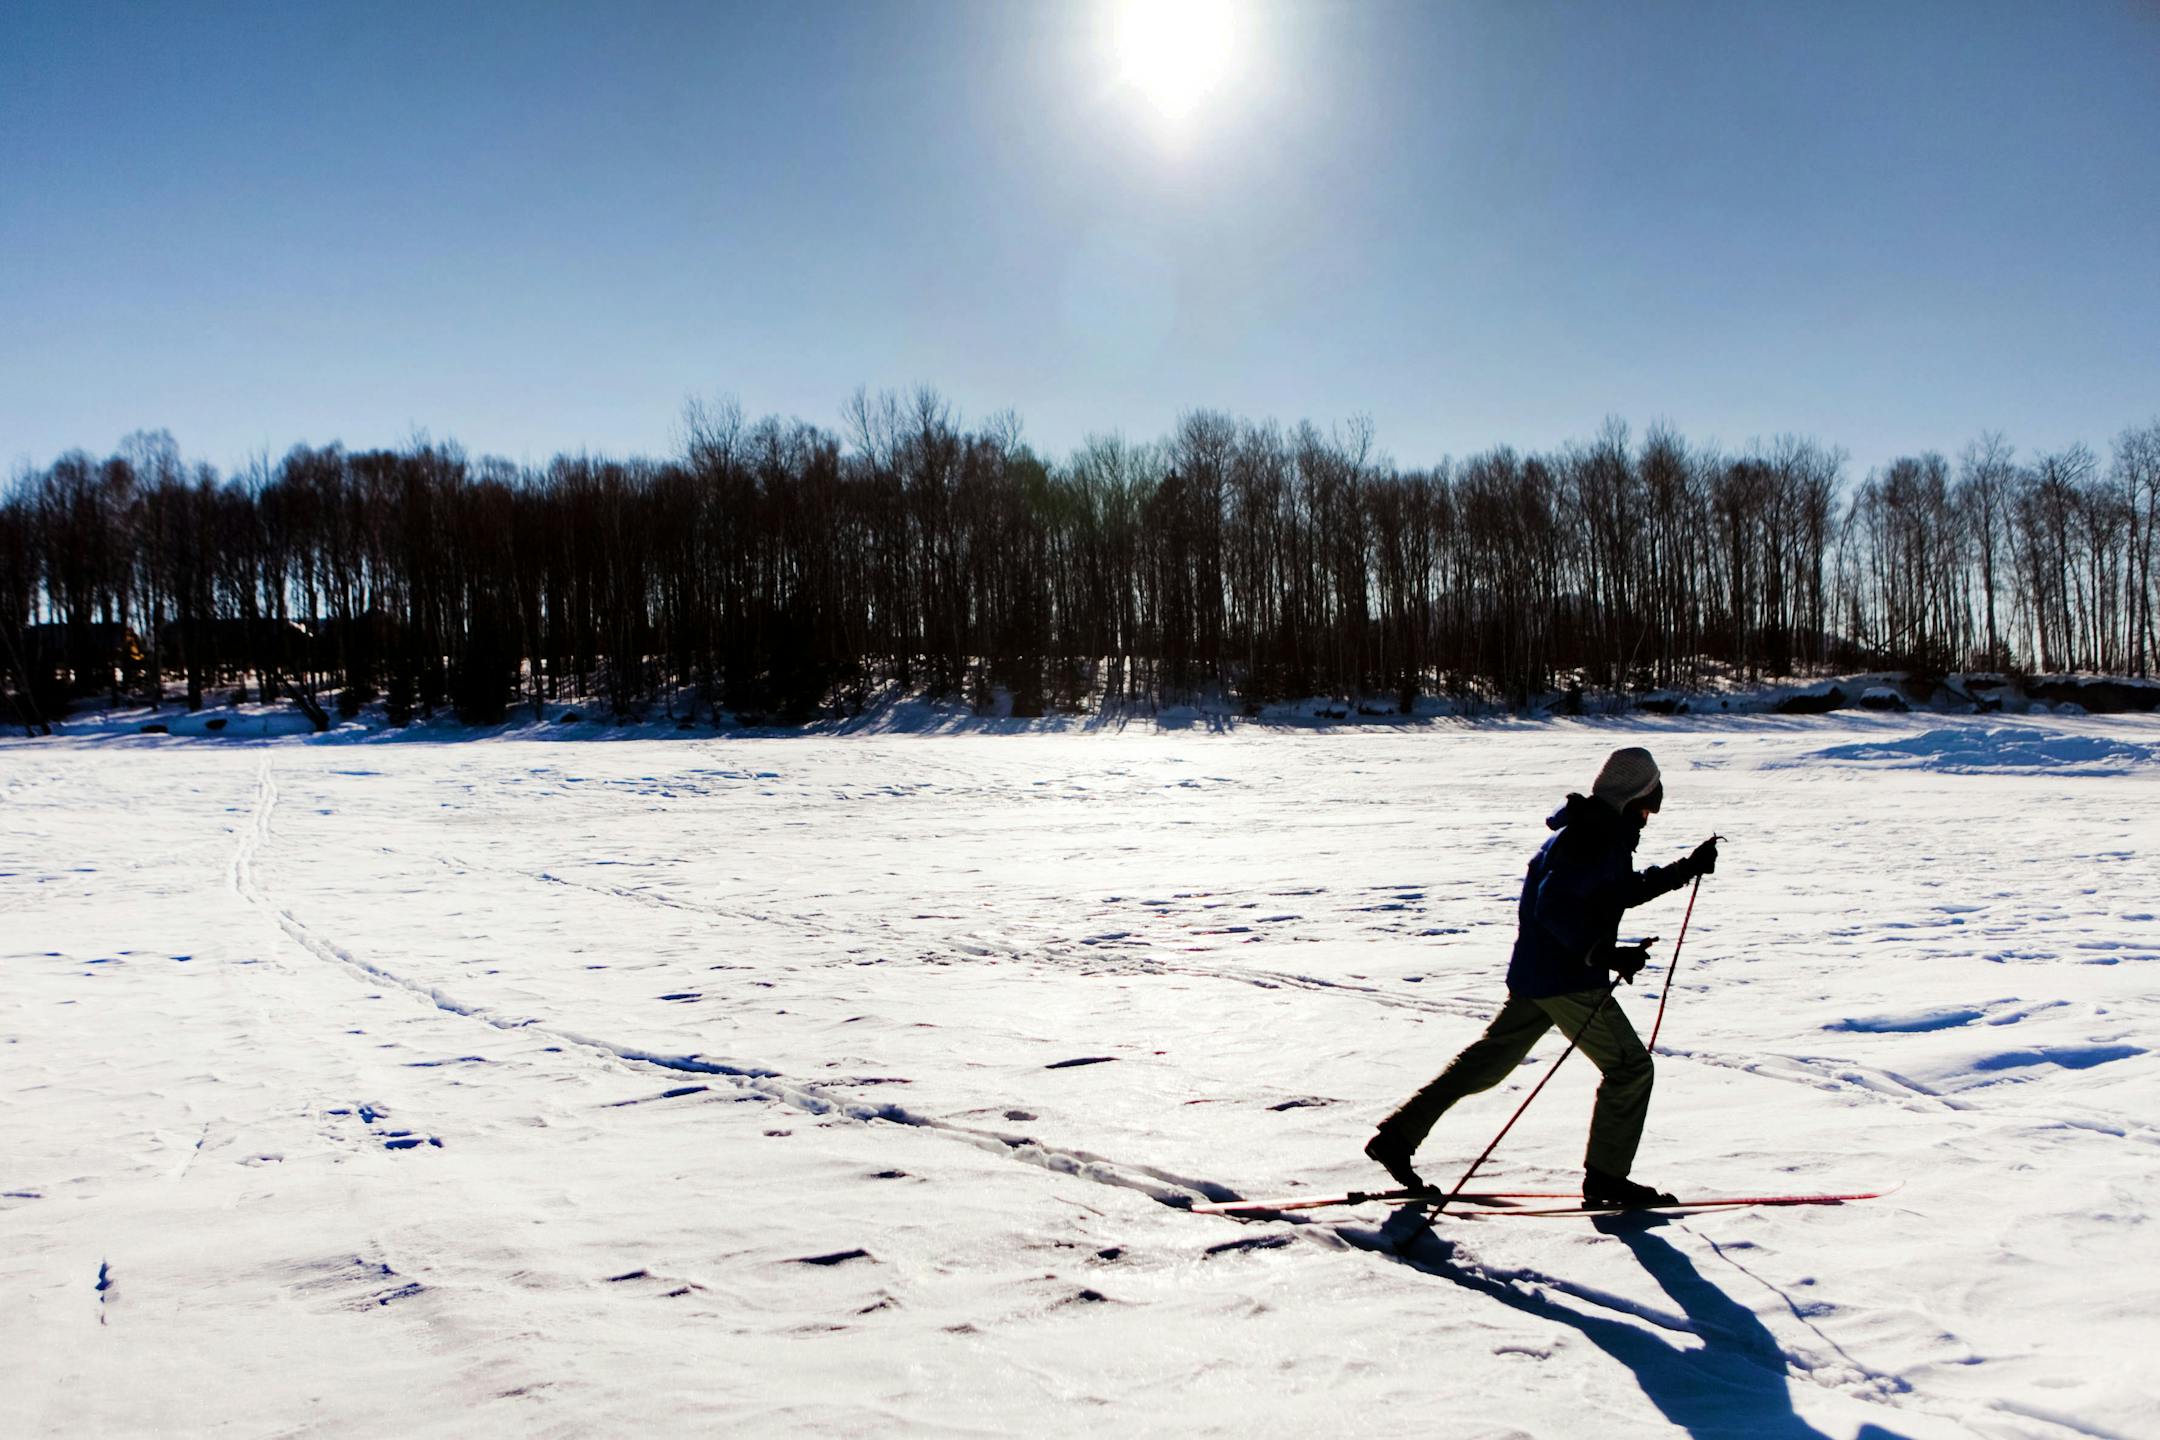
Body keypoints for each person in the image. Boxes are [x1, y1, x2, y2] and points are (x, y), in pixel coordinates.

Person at [1363, 745, 1718, 1207]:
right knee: (1630, 1068)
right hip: (1568, 977)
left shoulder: (1594, 832)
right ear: (1633, 798)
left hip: (1541, 974)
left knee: (1485, 1065)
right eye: (1649, 803)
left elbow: (1616, 893)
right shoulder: (1591, 838)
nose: (1651, 814)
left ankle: (1396, 1138)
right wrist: (1603, 953)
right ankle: (1606, 1179)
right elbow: (1553, 905)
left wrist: (1684, 870)